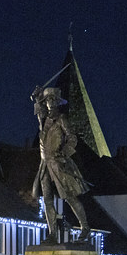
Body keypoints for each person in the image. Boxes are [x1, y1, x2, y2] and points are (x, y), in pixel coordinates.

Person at [31, 86, 90, 240]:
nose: (50, 102)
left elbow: (72, 138)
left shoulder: (61, 119)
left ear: (57, 102)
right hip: (45, 164)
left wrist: (64, 152)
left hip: (58, 163)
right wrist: (37, 98)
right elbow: (39, 113)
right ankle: (52, 234)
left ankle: (85, 227)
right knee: (47, 200)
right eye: (47, 100)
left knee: (69, 196)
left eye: (52, 100)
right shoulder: (44, 120)